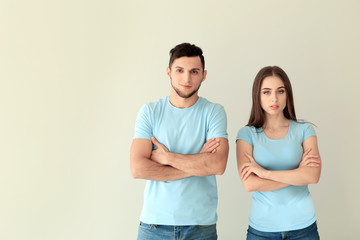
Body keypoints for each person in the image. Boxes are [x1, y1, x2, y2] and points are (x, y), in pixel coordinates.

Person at [130, 43, 229, 240]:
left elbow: (217, 165)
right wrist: (198, 162)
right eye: (180, 70)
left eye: (194, 71)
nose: (186, 78)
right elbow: (138, 168)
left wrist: (167, 158)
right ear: (168, 72)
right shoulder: (150, 112)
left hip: (200, 228)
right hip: (154, 227)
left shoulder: (213, 112)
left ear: (204, 75)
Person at [236, 66, 321, 240]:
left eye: (280, 91)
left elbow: (312, 176)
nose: (274, 98)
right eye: (266, 92)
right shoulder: (247, 134)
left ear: (287, 94)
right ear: (257, 96)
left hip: (304, 227)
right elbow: (250, 184)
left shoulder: (305, 129)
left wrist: (265, 173)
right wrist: (298, 174)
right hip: (262, 230)